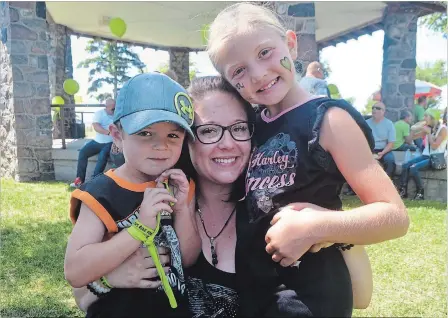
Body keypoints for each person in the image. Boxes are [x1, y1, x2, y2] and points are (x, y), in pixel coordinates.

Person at [72, 76, 373, 316]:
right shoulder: (155, 197)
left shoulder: (273, 204)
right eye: (209, 131)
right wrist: (110, 278)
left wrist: (329, 224)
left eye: (239, 128)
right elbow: (82, 296)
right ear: (188, 141)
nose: (227, 143)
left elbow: (360, 296)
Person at [207, 3, 408, 317]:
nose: (258, 74)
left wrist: (318, 225)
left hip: (311, 297)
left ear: (291, 42)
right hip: (255, 291)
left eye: (265, 53)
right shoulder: (250, 126)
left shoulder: (329, 119)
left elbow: (395, 217)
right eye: (239, 71)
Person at [65, 73, 201, 317]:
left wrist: (182, 209)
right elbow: (75, 271)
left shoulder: (179, 185)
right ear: (117, 135)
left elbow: (188, 259)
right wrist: (140, 229)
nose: (162, 146)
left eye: (173, 135)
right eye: (145, 133)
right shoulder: (100, 194)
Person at [398, 108, 447, 200]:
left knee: (413, 168)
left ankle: (420, 192)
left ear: (432, 117)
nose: (424, 118)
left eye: (426, 116)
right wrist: (413, 129)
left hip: (436, 158)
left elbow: (434, 146)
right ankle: (403, 190)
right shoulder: (428, 127)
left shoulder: (443, 129)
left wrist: (428, 134)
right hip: (426, 155)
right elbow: (411, 139)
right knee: (405, 165)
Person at [70, 99, 115, 188]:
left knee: (102, 156)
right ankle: (79, 180)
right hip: (97, 141)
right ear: (106, 107)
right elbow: (96, 126)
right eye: (112, 108)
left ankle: (95, 181)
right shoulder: (99, 114)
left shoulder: (117, 114)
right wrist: (109, 133)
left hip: (110, 142)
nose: (114, 110)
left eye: (114, 108)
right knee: (83, 152)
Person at [366, 102, 396, 178]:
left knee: (390, 161)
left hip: (384, 150)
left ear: (383, 112)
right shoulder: (366, 123)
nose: (374, 109)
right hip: (369, 149)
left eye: (378, 108)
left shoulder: (389, 124)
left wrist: (382, 153)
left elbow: (391, 143)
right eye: (373, 108)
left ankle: (388, 182)